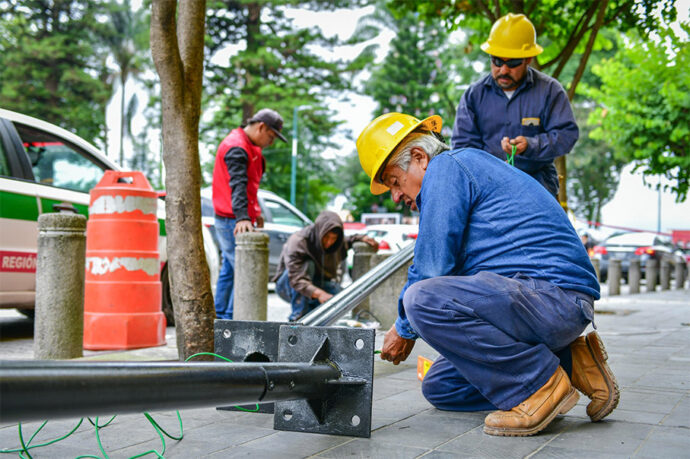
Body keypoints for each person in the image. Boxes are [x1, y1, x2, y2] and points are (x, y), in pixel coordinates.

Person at [356, 112, 619, 436]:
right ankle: (571, 361)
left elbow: (432, 267)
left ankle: (540, 387)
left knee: (420, 300)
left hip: (554, 297)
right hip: (552, 303)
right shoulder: (464, 170)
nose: (396, 197)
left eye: (395, 182)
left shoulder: (446, 168)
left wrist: (403, 328)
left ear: (420, 158)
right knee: (441, 387)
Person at [451, 13, 578, 199]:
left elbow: (567, 136)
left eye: (512, 63)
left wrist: (531, 145)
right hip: (488, 188)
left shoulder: (550, 91)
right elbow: (463, 149)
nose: (503, 70)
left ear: (528, 59)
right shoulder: (474, 96)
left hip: (538, 185)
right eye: (497, 61)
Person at [212, 108, 287, 320]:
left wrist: (255, 212)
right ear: (261, 127)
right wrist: (243, 217)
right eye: (271, 137)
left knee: (229, 268)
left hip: (235, 217)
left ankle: (221, 316)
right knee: (242, 268)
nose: (270, 143)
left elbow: (251, 186)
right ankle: (230, 320)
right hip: (230, 219)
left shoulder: (250, 147)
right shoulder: (236, 147)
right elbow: (237, 185)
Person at [273, 210, 378, 321]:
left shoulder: (337, 243)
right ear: (319, 231)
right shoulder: (299, 241)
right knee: (308, 265)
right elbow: (296, 278)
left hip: (316, 282)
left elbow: (349, 239)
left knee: (341, 296)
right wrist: (319, 294)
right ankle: (298, 317)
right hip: (289, 285)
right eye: (326, 237)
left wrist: (362, 238)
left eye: (333, 239)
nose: (329, 242)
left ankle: (313, 314)